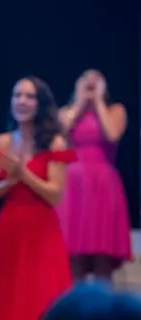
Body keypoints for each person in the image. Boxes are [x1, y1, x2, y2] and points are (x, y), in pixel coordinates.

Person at [0, 76, 75, 320]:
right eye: (17, 95)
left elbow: (55, 194)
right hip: (10, 225)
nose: (21, 101)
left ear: (40, 104)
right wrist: (10, 182)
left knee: (40, 292)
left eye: (29, 96)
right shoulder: (2, 141)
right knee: (7, 294)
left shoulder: (55, 142)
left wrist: (24, 174)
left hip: (42, 228)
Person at [54, 69, 131, 282]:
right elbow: (59, 133)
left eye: (96, 79)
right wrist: (79, 103)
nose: (90, 82)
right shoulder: (66, 112)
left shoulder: (115, 110)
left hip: (102, 184)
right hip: (73, 184)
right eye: (85, 79)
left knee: (102, 255)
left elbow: (112, 134)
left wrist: (97, 101)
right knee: (74, 254)